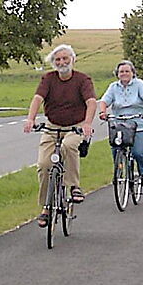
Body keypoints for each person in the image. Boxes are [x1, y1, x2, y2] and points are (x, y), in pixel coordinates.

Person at [24, 44, 96, 228]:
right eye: (58, 59)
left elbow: (91, 102)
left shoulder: (82, 79)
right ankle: (46, 207)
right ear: (53, 63)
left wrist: (87, 123)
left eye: (65, 58)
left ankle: (74, 187)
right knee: (44, 164)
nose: (62, 62)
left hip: (75, 126)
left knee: (68, 146)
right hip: (52, 126)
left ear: (73, 59)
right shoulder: (48, 79)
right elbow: (37, 99)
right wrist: (30, 119)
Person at [98, 60, 143, 186]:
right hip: (120, 125)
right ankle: (118, 171)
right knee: (116, 148)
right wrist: (102, 112)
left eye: (127, 71)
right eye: (121, 72)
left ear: (132, 73)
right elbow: (104, 101)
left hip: (139, 124)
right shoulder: (113, 87)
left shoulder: (139, 84)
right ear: (117, 74)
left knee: (137, 152)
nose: (124, 74)